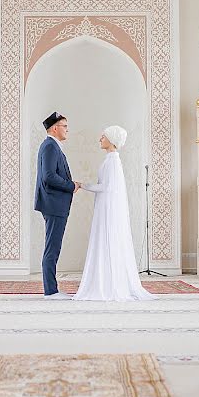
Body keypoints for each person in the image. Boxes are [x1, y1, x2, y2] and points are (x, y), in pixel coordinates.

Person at [74, 125, 154, 301]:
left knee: (106, 240)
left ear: (111, 140)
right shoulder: (111, 159)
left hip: (107, 209)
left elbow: (105, 187)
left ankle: (107, 285)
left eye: (103, 136)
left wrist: (82, 185)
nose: (100, 139)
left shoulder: (112, 161)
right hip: (105, 207)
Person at [34, 112, 80, 299]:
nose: (67, 130)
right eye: (65, 126)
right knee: (52, 248)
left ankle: (51, 289)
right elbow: (49, 176)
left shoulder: (52, 146)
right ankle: (50, 291)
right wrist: (71, 185)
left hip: (55, 204)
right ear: (54, 128)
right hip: (54, 204)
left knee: (53, 247)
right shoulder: (50, 147)